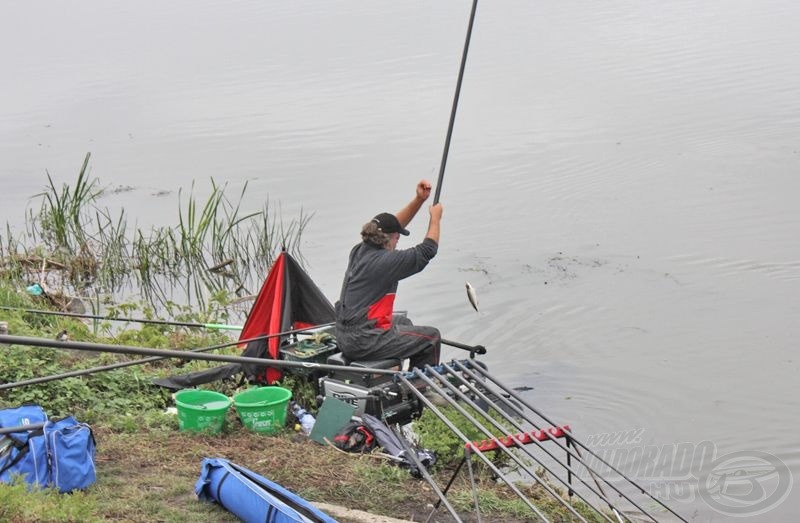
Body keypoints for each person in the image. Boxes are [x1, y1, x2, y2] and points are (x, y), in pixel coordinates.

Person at [335, 179, 443, 370]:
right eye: (396, 237)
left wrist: (419, 200)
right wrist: (435, 218)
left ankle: (399, 374)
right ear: (386, 239)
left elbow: (393, 225)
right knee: (431, 337)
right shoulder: (385, 262)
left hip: (346, 334)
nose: (398, 241)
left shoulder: (359, 250)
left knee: (404, 322)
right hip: (363, 341)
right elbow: (428, 250)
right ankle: (423, 390)